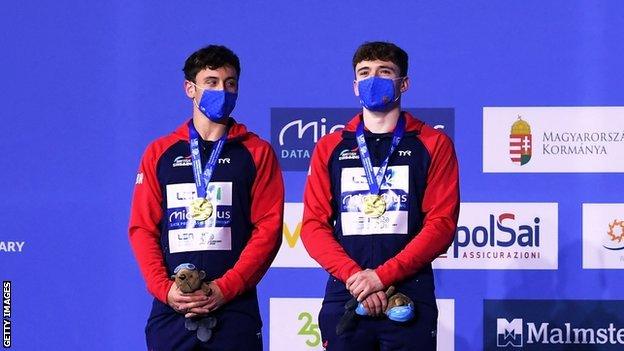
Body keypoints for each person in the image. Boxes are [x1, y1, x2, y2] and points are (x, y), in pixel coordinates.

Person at [301, 41, 459, 351]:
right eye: (365, 73)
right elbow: (312, 226)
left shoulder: (433, 143)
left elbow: (441, 225)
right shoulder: (329, 147)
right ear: (355, 86)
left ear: (404, 83)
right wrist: (358, 278)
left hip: (409, 293)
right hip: (347, 292)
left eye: (384, 72)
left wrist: (382, 277)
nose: (373, 80)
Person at [129, 45, 284, 351]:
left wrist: (225, 289)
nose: (222, 90)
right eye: (211, 82)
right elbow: (142, 229)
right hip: (172, 309)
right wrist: (165, 289)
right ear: (190, 88)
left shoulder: (256, 152)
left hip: (234, 308)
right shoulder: (160, 153)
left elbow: (268, 230)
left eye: (230, 83)